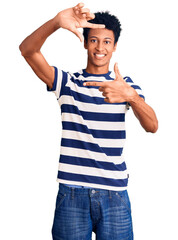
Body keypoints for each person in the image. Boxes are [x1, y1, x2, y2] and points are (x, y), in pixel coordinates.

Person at [19, 2, 158, 240]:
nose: (100, 47)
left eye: (106, 41)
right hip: (72, 194)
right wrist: (55, 22)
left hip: (114, 194)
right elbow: (27, 50)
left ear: (114, 47)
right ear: (84, 43)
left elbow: (152, 126)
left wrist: (131, 97)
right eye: (93, 40)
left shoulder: (125, 86)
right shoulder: (68, 83)